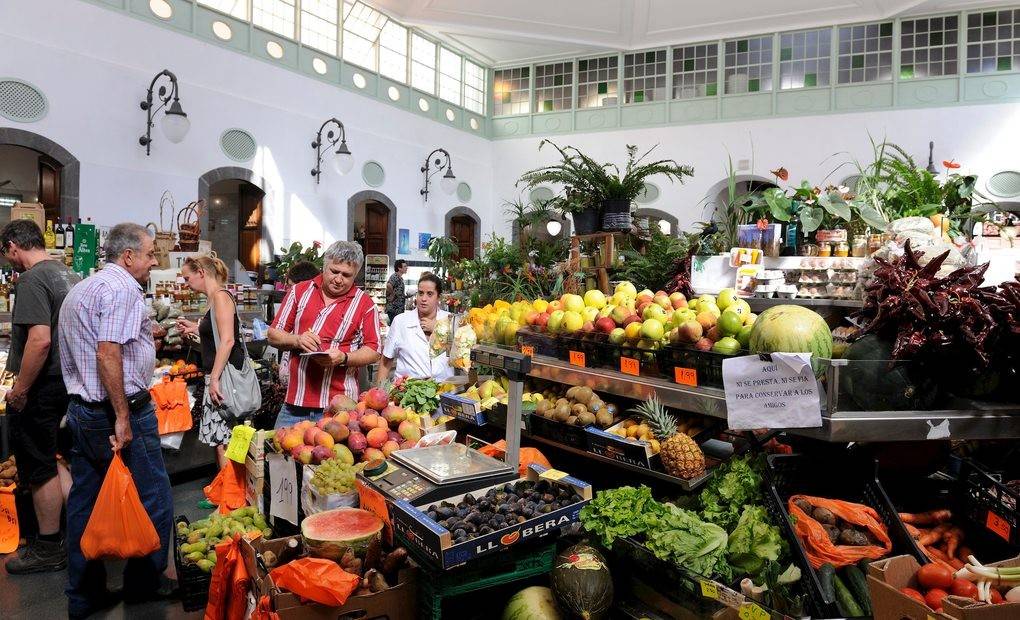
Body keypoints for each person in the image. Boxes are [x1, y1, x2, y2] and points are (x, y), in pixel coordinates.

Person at [58, 223, 172, 619]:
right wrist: (123, 416)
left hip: (82, 410)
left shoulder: (84, 287)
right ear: (128, 257)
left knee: (85, 502)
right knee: (154, 496)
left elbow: (94, 347)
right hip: (119, 414)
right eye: (150, 253)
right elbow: (108, 353)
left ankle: (84, 594)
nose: (155, 261)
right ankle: (144, 585)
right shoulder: (123, 289)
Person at [1, 219, 80, 575]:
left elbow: (40, 340)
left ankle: (47, 547)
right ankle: (71, 533)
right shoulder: (68, 274)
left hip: (43, 385)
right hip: (68, 382)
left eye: (7, 253)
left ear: (14, 245)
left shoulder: (33, 278)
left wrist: (20, 391)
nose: (9, 260)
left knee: (38, 466)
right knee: (58, 459)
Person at [268, 241, 381, 429]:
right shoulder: (299, 291)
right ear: (324, 266)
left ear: (356, 275)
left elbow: (374, 350)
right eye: (334, 271)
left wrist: (344, 358)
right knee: (279, 455)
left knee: (332, 458)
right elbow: (273, 335)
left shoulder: (365, 304)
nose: (338, 279)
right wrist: (297, 339)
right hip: (295, 405)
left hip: (341, 410)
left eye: (346, 275)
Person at [175, 254, 247, 469]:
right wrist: (196, 328)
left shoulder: (221, 297)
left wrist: (214, 378)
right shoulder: (215, 298)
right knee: (221, 439)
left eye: (187, 278)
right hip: (218, 374)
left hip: (223, 376)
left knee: (224, 440)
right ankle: (225, 491)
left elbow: (227, 340)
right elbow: (218, 333)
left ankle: (230, 498)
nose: (186, 284)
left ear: (201, 273)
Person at [379, 272, 455, 383]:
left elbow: (461, 353)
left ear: (439, 297)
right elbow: (386, 362)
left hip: (444, 390)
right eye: (420, 293)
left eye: (429, 294)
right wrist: (380, 394)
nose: (423, 299)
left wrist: (438, 329)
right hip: (407, 392)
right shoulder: (401, 321)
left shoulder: (450, 320)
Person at [277, 261, 321, 387]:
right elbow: (274, 335)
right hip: (293, 385)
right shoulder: (292, 307)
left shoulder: (311, 308)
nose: (288, 291)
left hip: (307, 382)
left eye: (291, 286)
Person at [385, 259, 409, 325]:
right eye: (404, 266)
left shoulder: (400, 278)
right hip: (394, 309)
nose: (406, 268)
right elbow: (389, 285)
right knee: (394, 328)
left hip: (398, 309)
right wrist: (392, 294)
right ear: (399, 268)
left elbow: (399, 292)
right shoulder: (395, 276)